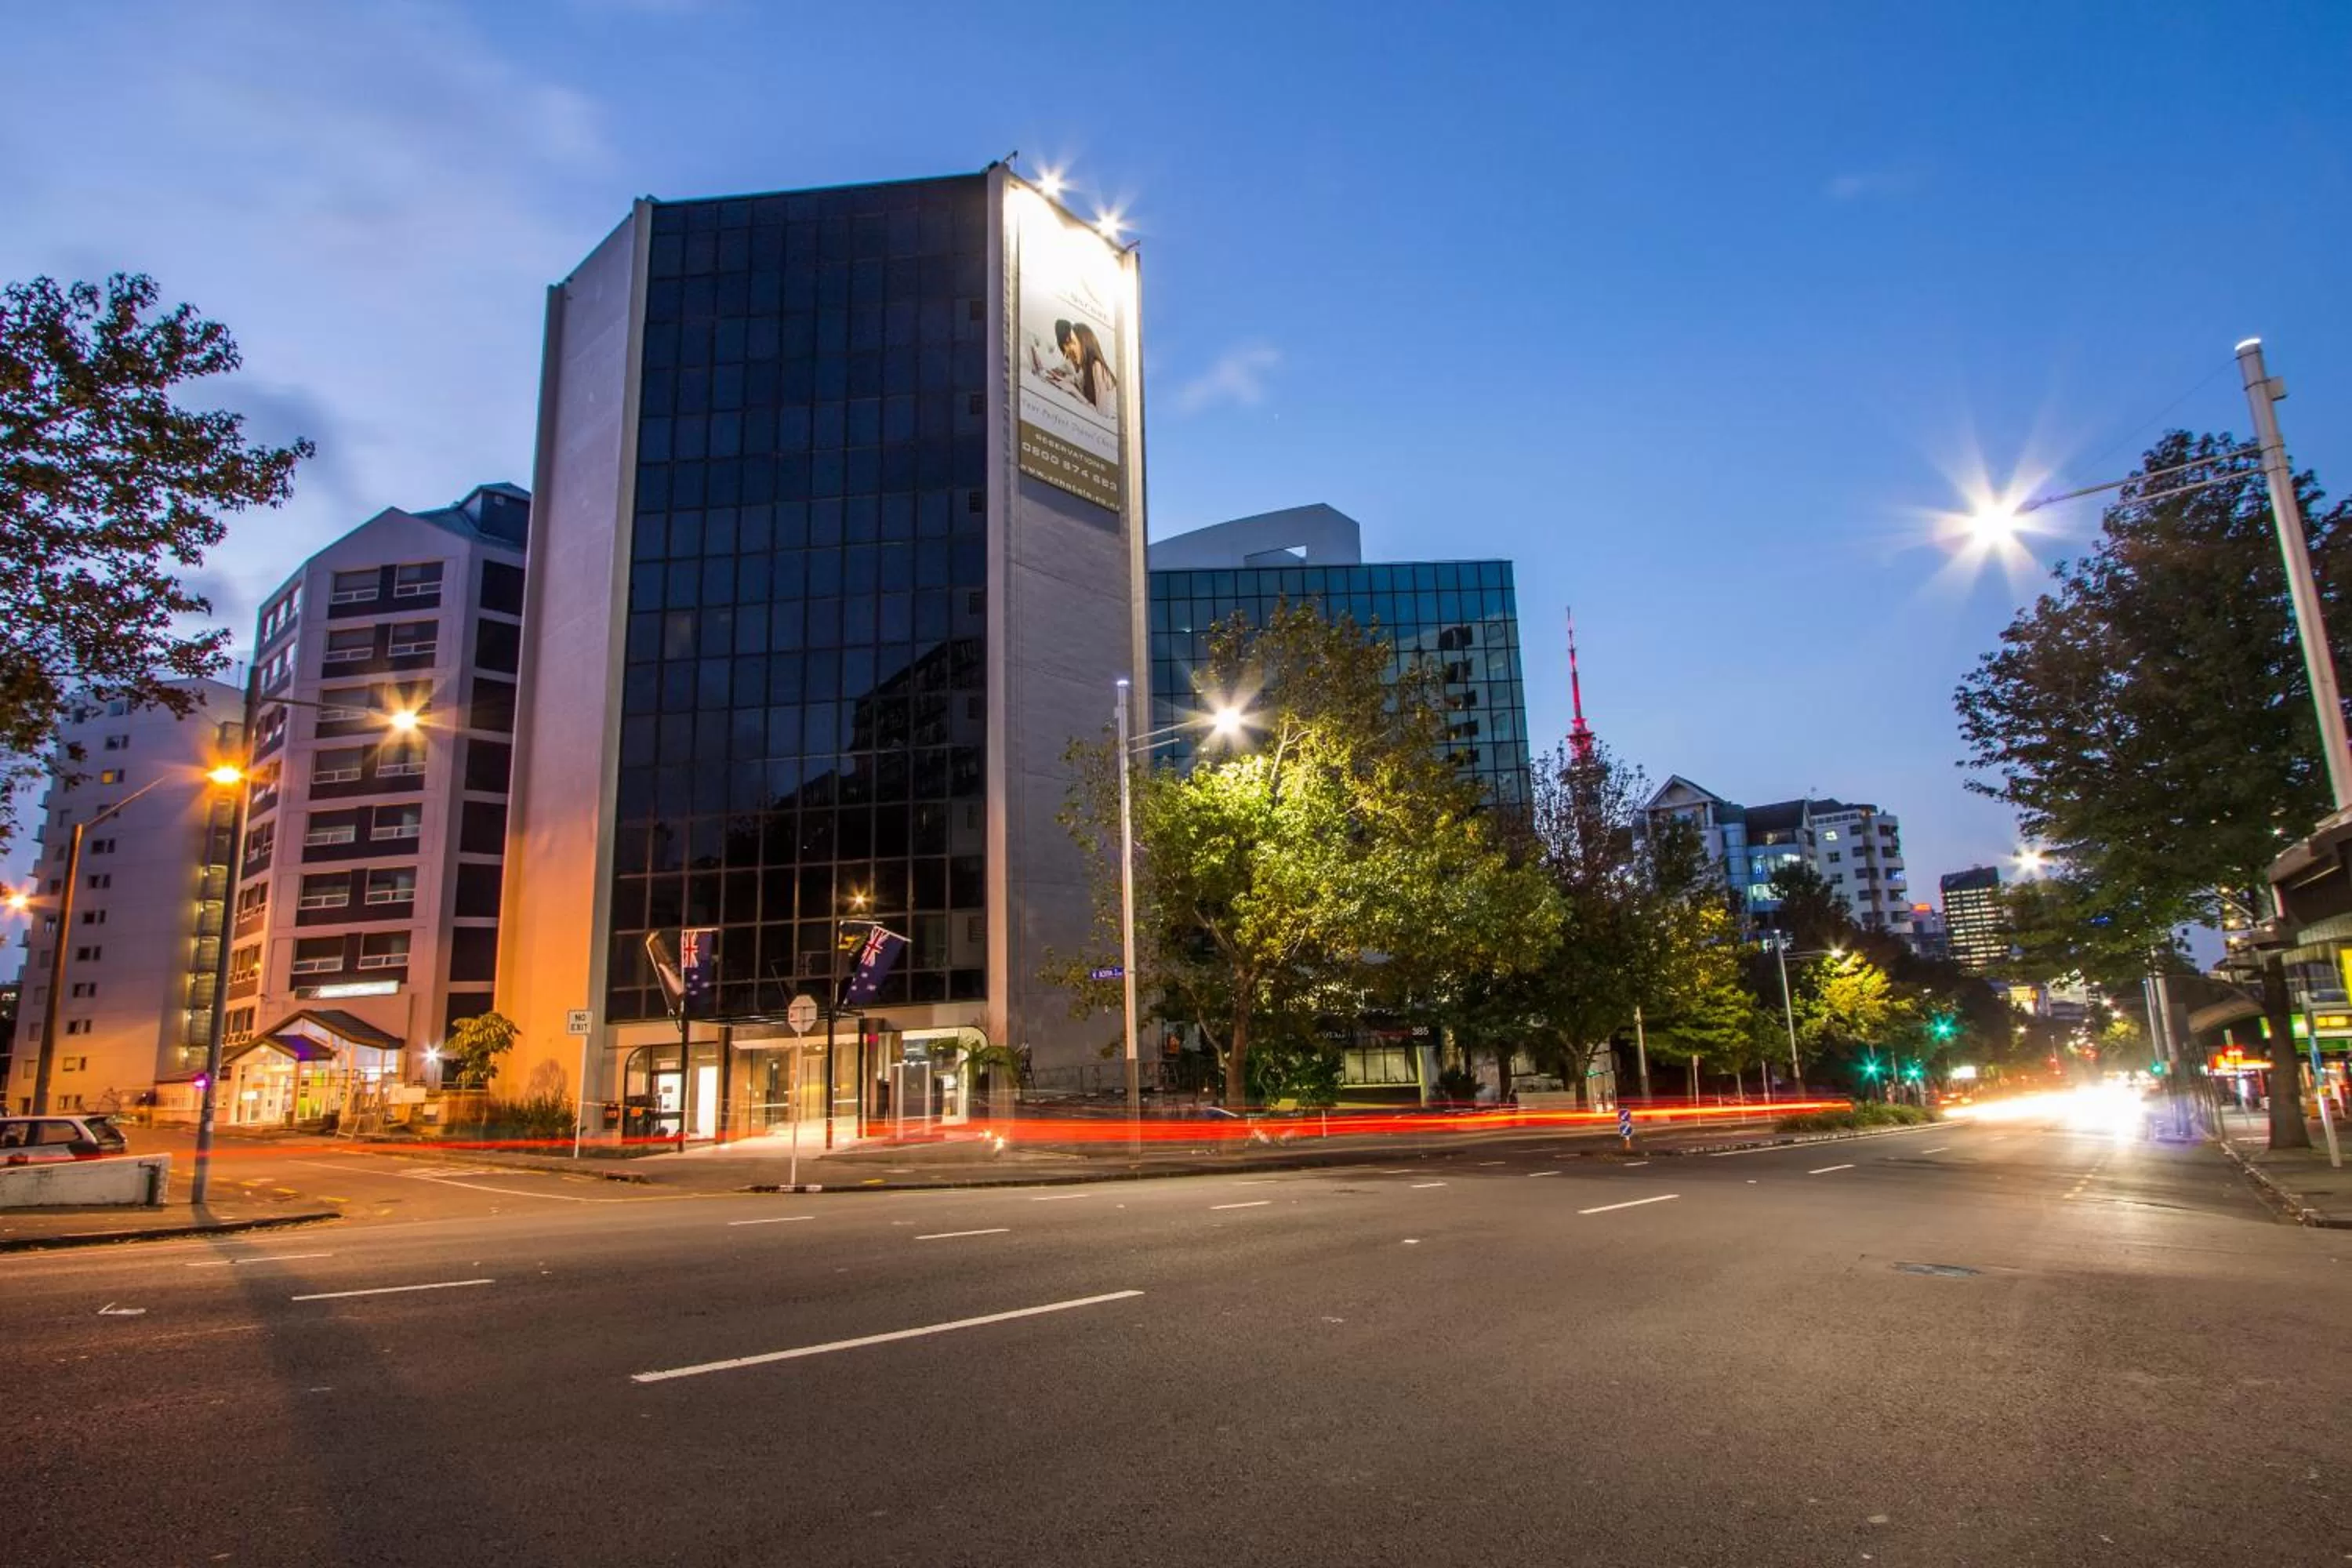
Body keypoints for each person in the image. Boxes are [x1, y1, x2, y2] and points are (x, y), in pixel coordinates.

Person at [1054, 318, 1120, 414]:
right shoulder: (1087, 369)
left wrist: (1073, 391)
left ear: (1084, 343)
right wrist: (1071, 381)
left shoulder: (1097, 366)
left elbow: (1102, 414)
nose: (1071, 349)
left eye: (1073, 342)